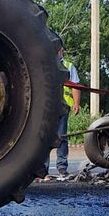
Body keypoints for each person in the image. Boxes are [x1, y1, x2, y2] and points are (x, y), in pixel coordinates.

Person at [46, 43, 81, 179]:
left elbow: (75, 85)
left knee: (62, 138)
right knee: (45, 139)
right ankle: (43, 169)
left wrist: (76, 104)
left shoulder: (68, 66)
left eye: (58, 50)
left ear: (62, 51)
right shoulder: (46, 65)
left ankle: (62, 168)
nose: (56, 52)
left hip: (63, 107)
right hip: (48, 108)